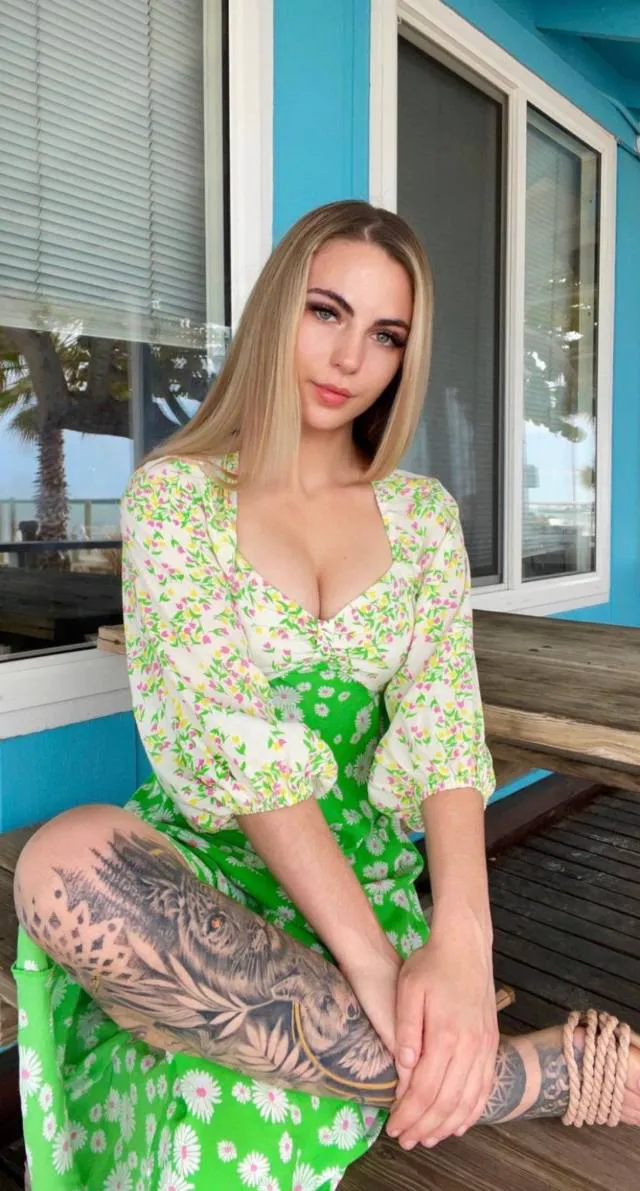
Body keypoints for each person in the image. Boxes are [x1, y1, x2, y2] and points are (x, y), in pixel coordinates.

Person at [13, 200, 639, 1191]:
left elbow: (443, 724)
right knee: (64, 861)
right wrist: (380, 976)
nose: (351, 357)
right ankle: (511, 1081)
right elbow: (237, 743)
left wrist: (463, 945)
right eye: (326, 312)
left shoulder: (421, 517)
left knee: (223, 1101)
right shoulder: (175, 498)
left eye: (386, 334)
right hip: (214, 862)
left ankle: (322, 1046)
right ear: (278, 313)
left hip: (362, 868)